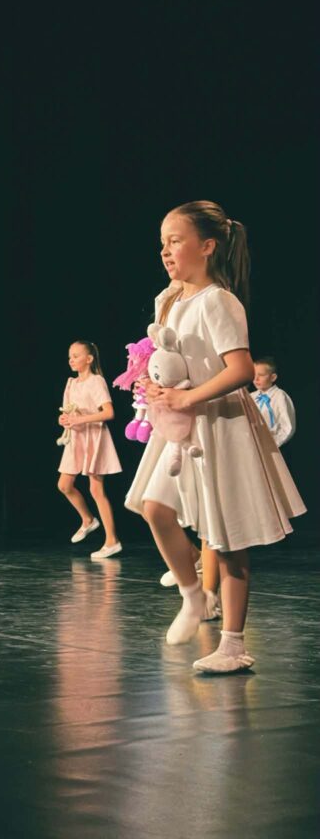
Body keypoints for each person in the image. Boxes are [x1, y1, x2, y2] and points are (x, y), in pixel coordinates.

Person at [125, 201, 305, 673]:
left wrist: (189, 396)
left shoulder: (218, 301)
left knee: (227, 536)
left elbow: (240, 369)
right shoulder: (169, 299)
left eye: (175, 241)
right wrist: (155, 385)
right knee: (154, 507)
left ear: (207, 247)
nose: (165, 251)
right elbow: (169, 358)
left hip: (220, 424)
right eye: (162, 243)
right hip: (180, 424)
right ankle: (194, 596)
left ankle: (233, 644)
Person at [57, 340, 123, 559]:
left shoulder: (96, 381)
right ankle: (88, 519)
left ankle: (112, 541)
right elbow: (68, 412)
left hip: (94, 437)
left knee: (96, 490)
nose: (71, 360)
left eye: (76, 356)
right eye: (70, 356)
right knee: (64, 485)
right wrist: (65, 419)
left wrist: (81, 419)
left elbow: (108, 413)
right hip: (76, 438)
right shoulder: (71, 383)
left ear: (89, 358)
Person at [251, 357, 296, 447]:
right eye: (254, 375)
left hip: (272, 445)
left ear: (273, 377)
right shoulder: (251, 396)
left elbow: (287, 427)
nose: (256, 379)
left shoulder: (280, 396)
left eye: (261, 375)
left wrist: (273, 444)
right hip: (253, 444)